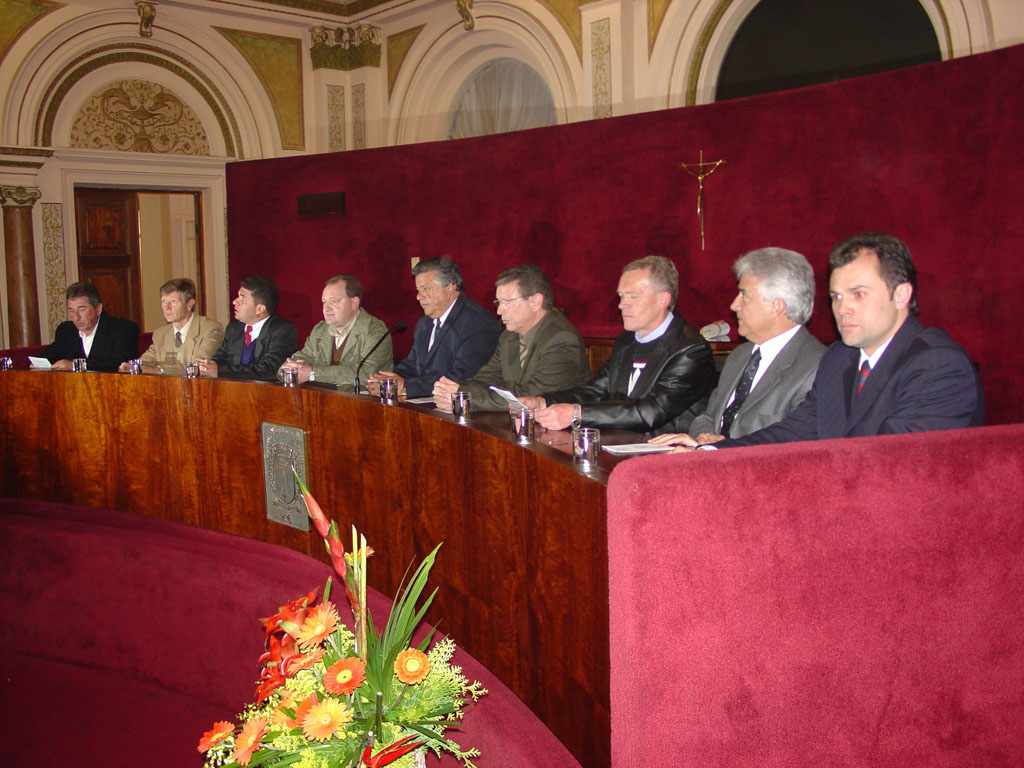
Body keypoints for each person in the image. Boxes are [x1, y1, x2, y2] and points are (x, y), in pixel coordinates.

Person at [684, 232, 984, 450]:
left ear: (901, 295)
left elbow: (894, 462)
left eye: (859, 294)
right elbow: (794, 432)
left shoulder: (937, 365)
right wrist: (711, 454)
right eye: (836, 296)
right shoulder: (840, 357)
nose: (843, 308)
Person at [648, 247, 825, 447]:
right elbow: (707, 416)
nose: (734, 305)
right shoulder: (740, 356)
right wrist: (705, 438)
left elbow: (791, 443)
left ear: (776, 306)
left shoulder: (817, 367)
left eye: (744, 295)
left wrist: (721, 447)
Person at [524, 256, 716, 435]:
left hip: (667, 454)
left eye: (632, 296)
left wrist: (576, 413)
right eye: (621, 296)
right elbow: (596, 391)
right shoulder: (626, 342)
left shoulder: (690, 350)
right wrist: (543, 401)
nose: (622, 305)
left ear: (662, 300)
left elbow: (651, 412)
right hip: (622, 444)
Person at [433, 264, 590, 412]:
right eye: (498, 302)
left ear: (535, 301)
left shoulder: (562, 339)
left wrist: (463, 395)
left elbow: (529, 396)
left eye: (507, 302)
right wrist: (451, 389)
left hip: (561, 430)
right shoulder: (509, 336)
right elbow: (487, 378)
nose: (500, 311)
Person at [367, 257, 499, 398]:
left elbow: (463, 376)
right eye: (418, 290)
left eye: (425, 289)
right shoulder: (424, 323)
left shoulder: (477, 322)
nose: (418, 297)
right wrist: (388, 380)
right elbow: (412, 365)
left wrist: (406, 386)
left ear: (450, 287)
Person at [279, 274, 393, 390]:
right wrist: (290, 368)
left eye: (334, 301)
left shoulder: (375, 330)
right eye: (324, 302)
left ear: (354, 303)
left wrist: (312, 373)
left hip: (364, 403)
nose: (326, 308)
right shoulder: (320, 330)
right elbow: (303, 357)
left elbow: (366, 373)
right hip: (322, 401)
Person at [198, 275, 297, 381]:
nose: (235, 302)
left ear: (259, 308)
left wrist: (220, 371)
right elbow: (220, 359)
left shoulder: (282, 330)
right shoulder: (234, 328)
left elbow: (270, 370)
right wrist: (208, 366)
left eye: (243, 298)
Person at [121, 278, 224, 375]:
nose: (166, 307)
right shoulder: (160, 334)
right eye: (163, 301)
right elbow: (146, 361)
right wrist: (131, 366)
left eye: (173, 302)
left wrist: (159, 370)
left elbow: (198, 367)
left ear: (190, 304)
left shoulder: (211, 329)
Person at [42, 281, 139, 372]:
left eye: (82, 309)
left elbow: (120, 364)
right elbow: (49, 355)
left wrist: (75, 365)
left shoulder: (123, 329)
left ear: (98, 309)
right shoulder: (66, 330)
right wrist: (39, 364)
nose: (76, 317)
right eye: (71, 310)